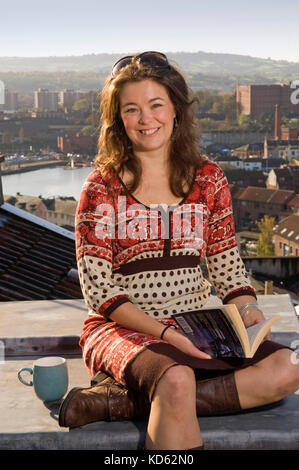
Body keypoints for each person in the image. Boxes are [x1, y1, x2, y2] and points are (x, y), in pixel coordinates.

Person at [59, 51, 299, 450]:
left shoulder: (209, 178)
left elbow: (227, 267)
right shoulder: (101, 188)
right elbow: (100, 292)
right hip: (123, 328)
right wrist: (166, 333)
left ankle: (122, 404)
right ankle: (169, 393)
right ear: (118, 119)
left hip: (199, 326)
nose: (146, 119)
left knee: (290, 367)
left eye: (156, 105)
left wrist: (248, 313)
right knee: (175, 378)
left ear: (175, 109)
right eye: (131, 109)